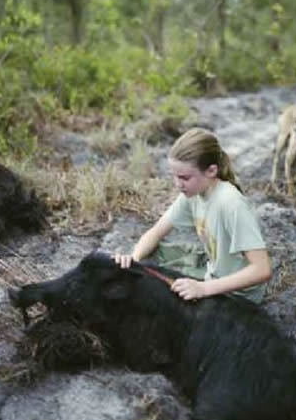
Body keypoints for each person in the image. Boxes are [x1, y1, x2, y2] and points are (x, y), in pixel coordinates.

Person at [114, 127, 272, 303]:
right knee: (149, 256)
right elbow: (156, 231)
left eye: (184, 178)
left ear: (211, 171)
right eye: (174, 176)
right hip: (213, 272)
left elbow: (262, 269)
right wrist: (133, 260)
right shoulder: (193, 193)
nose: (177, 184)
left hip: (238, 293)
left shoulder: (231, 204)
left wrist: (203, 288)